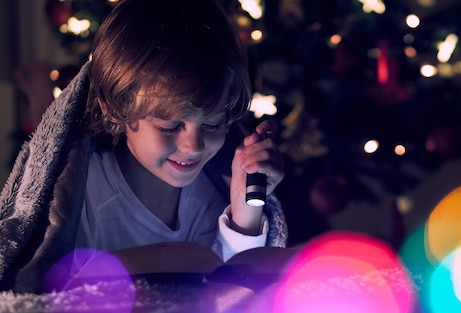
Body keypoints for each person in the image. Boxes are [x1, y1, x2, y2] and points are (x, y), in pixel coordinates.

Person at [0, 0, 288, 293]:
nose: (194, 146)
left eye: (212, 125)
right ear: (114, 108)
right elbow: (40, 293)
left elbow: (235, 297)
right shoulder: (80, 197)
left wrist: (244, 212)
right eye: (169, 126)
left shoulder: (207, 199)